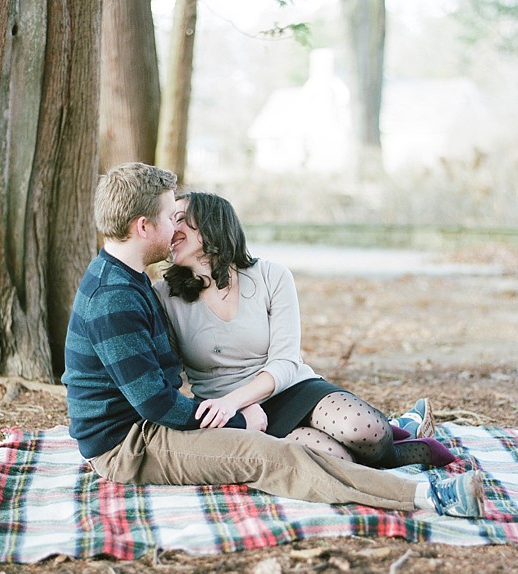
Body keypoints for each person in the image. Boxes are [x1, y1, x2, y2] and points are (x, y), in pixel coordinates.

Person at [62, 162, 485, 518]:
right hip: (130, 444)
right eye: (171, 215)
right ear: (143, 226)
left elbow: (162, 388)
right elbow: (156, 402)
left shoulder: (128, 280)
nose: (175, 224)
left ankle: (400, 440)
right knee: (273, 457)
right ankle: (429, 496)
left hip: (159, 424)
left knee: (336, 437)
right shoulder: (116, 296)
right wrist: (239, 419)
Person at [153, 191, 455, 469]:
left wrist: (237, 400)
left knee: (365, 430)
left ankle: (396, 434)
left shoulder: (272, 276)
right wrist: (232, 412)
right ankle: (407, 440)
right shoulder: (164, 295)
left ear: (210, 224)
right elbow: (166, 375)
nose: (171, 229)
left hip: (291, 389)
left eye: (179, 219)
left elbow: (285, 362)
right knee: (333, 459)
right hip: (237, 415)